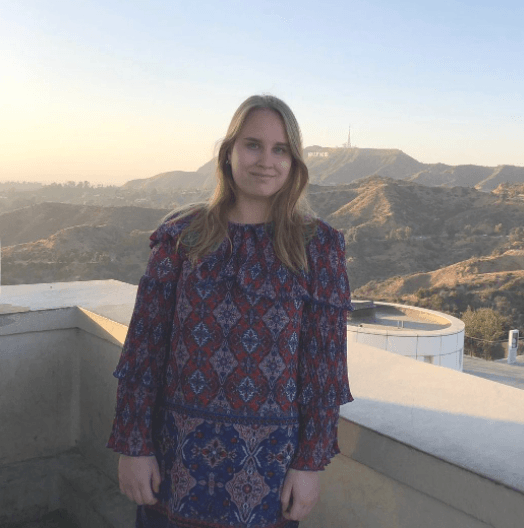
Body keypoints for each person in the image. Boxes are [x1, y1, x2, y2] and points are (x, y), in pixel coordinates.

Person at [106, 94, 354, 528]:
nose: (267, 161)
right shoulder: (182, 237)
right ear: (229, 153)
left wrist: (310, 465)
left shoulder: (318, 248)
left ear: (295, 162)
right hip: (173, 465)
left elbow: (324, 369)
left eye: (281, 150)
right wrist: (134, 447)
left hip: (270, 478)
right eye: (253, 145)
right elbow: (145, 350)